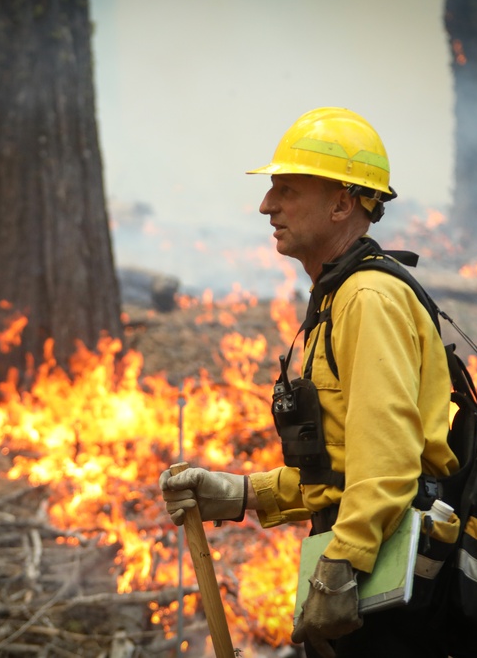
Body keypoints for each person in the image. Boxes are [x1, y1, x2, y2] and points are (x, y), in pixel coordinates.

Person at [159, 107, 459, 657]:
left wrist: (341, 566)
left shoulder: (367, 301)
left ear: (343, 202)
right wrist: (243, 493)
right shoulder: (340, 298)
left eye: (287, 190)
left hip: (392, 587)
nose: (266, 205)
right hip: (374, 562)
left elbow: (389, 467)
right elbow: (344, 467)